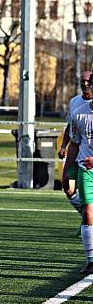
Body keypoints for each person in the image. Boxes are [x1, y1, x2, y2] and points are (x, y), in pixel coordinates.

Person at [62, 95, 93, 275]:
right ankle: (90, 261)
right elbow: (75, 143)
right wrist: (66, 170)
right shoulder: (78, 113)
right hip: (86, 170)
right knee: (88, 212)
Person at [59, 71, 93, 218]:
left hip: (88, 157)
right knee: (66, 184)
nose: (85, 84)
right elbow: (71, 127)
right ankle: (85, 215)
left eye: (88, 81)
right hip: (79, 153)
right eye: (82, 81)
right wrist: (63, 146)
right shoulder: (75, 103)